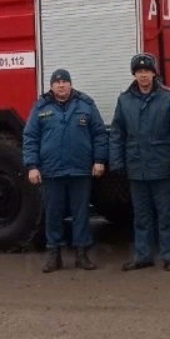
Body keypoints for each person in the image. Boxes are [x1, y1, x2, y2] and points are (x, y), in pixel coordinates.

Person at [22, 68, 108, 272]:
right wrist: (32, 166)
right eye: (57, 82)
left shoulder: (86, 104)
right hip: (52, 171)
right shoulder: (41, 107)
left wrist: (99, 160)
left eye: (65, 82)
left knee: (81, 214)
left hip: (80, 170)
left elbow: (99, 134)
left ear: (71, 84)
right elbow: (30, 137)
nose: (61, 85)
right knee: (53, 214)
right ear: (51, 86)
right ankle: (54, 255)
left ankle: (82, 254)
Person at [108, 53, 170, 272]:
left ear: (154, 73)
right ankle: (143, 256)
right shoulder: (124, 100)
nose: (143, 75)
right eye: (139, 71)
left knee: (165, 215)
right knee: (141, 216)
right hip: (136, 167)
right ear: (134, 74)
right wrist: (117, 163)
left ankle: (169, 256)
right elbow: (117, 134)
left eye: (147, 71)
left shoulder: (169, 98)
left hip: (162, 166)